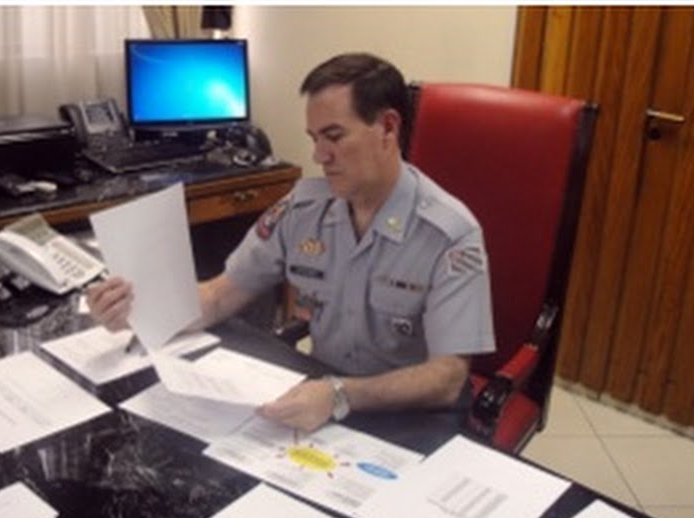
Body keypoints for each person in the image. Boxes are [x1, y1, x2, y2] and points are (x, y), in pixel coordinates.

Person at [86, 52, 495, 433]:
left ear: (388, 127)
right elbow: (221, 296)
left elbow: (447, 378)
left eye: (334, 136)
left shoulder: (450, 234)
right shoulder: (303, 208)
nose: (319, 155)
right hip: (323, 405)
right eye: (314, 138)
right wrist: (141, 312)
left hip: (413, 419)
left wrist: (340, 394)